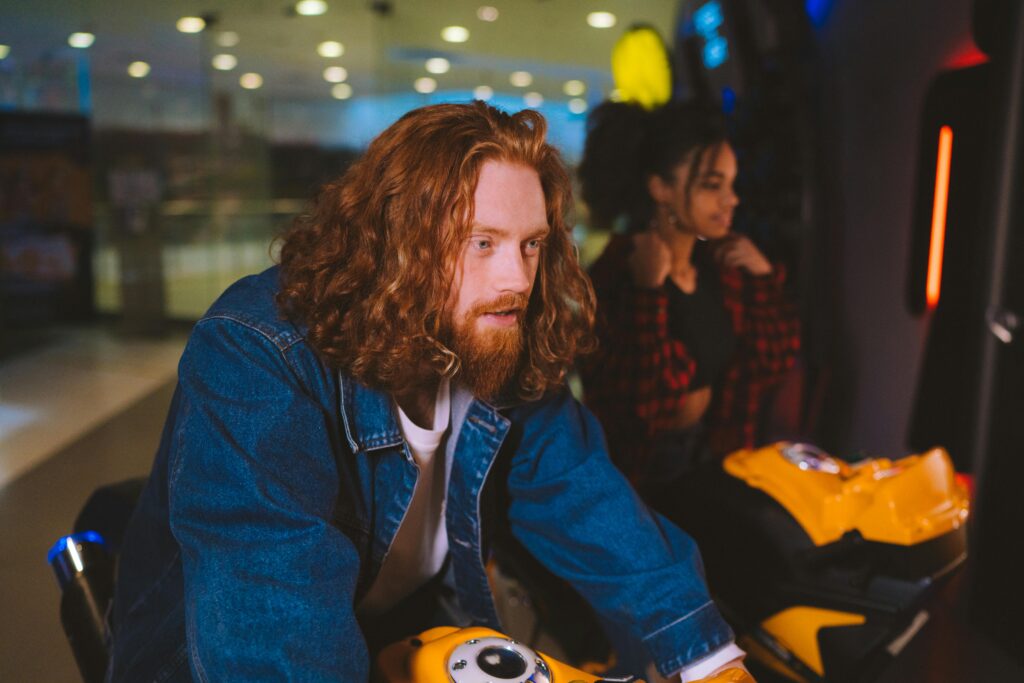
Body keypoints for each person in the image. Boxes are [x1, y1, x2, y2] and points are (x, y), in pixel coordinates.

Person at [106, 102, 750, 682]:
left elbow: (584, 494)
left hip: (398, 628)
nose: (517, 279)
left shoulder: (494, 338)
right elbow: (270, 612)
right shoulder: (257, 352)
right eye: (482, 242)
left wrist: (710, 657)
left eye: (532, 245)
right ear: (397, 242)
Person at [578, 100, 800, 495]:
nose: (731, 200)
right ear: (660, 187)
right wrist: (647, 293)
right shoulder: (617, 273)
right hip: (640, 478)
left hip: (714, 460)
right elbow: (641, 404)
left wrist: (765, 280)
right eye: (712, 185)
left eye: (731, 184)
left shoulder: (720, 266)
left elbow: (773, 360)